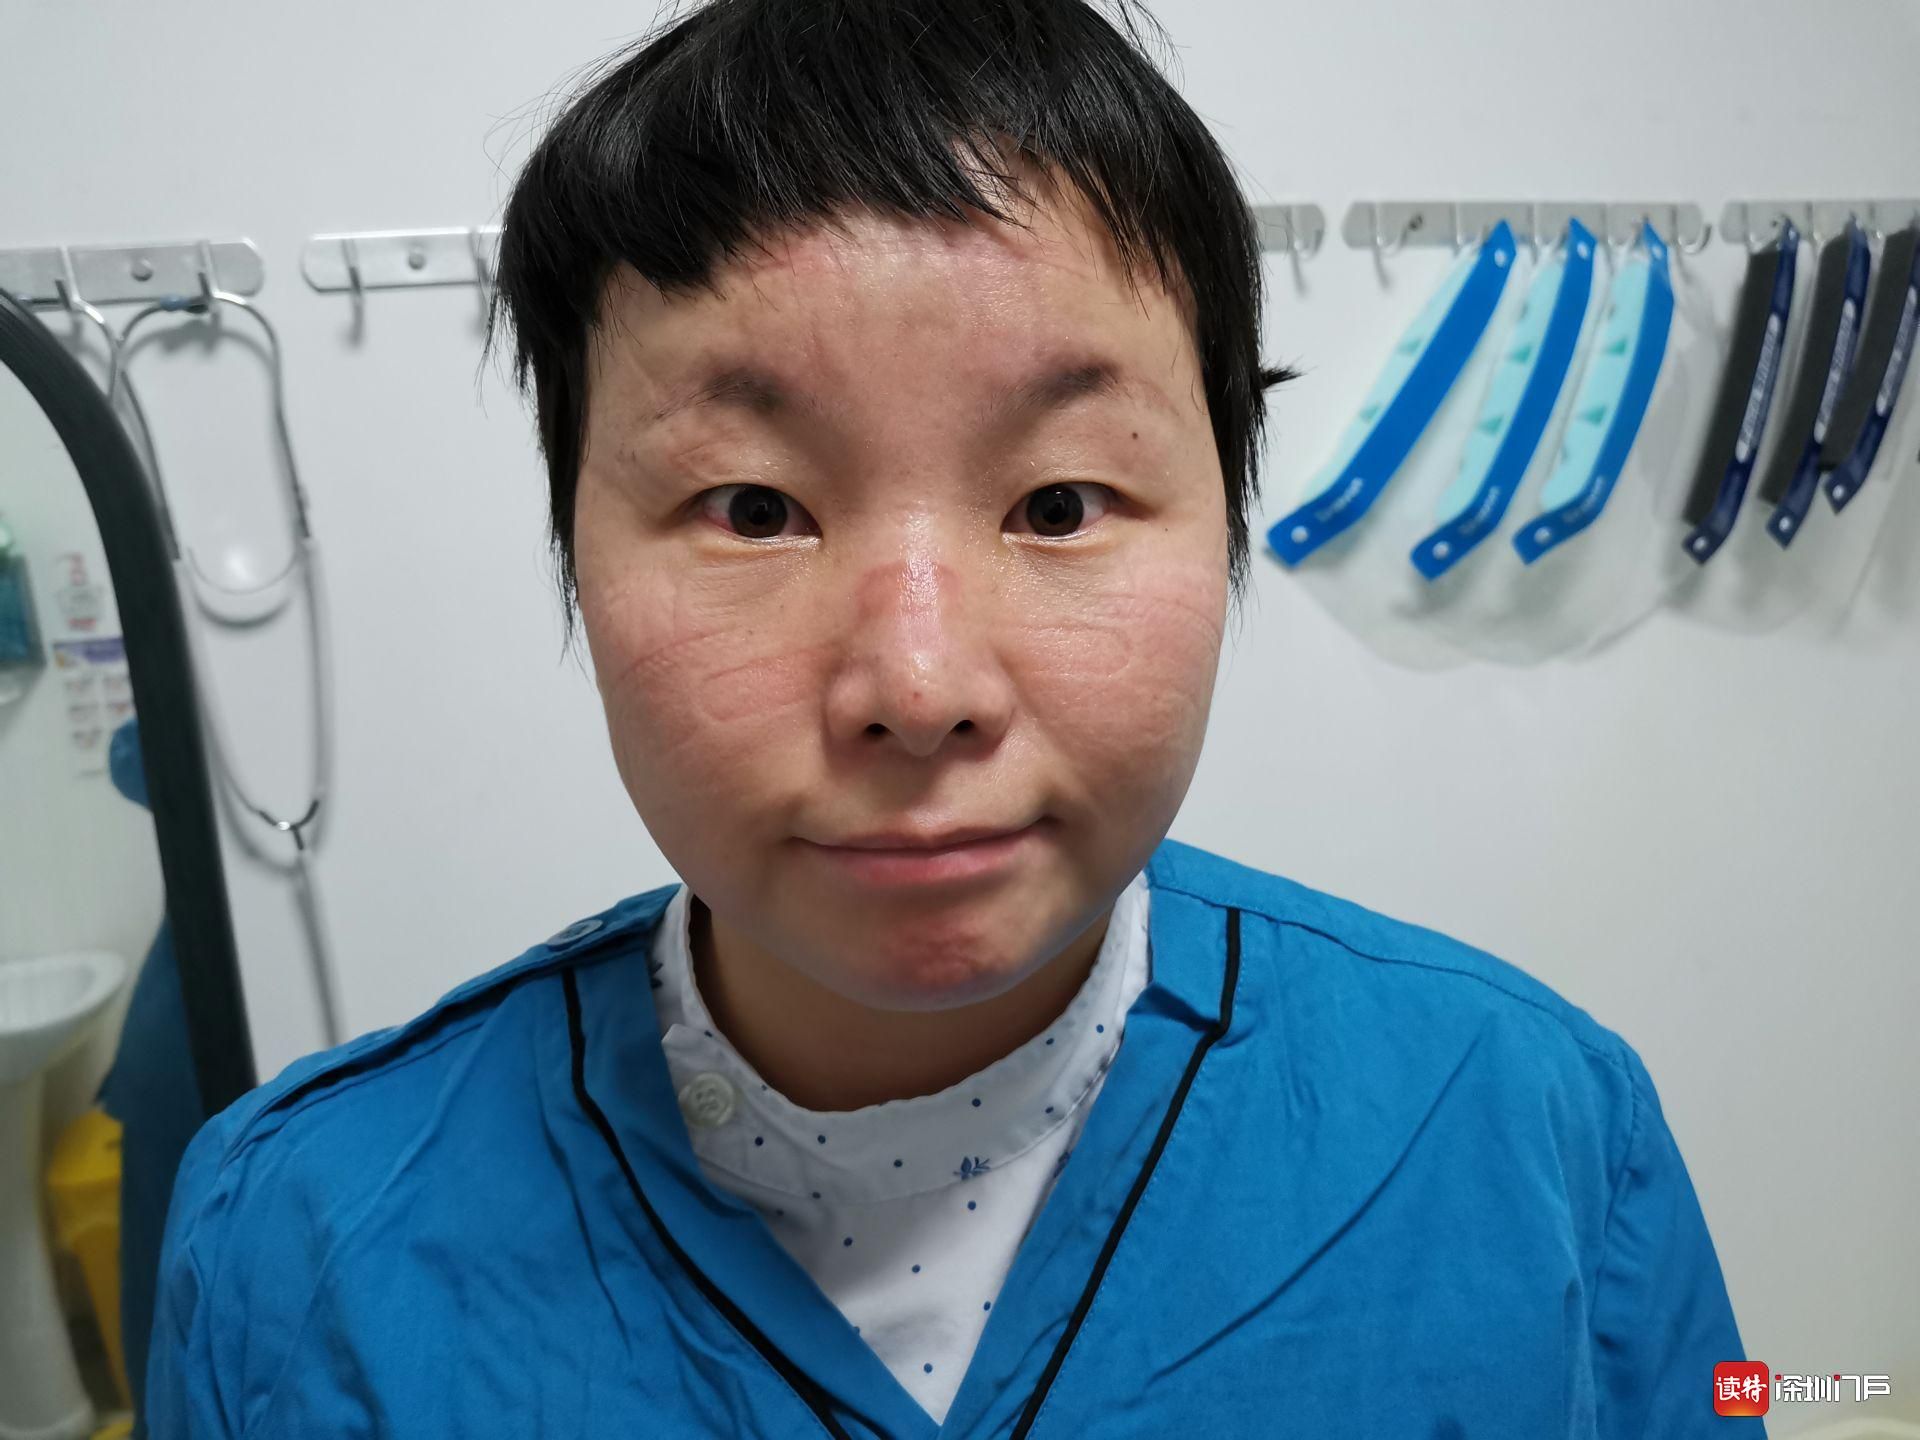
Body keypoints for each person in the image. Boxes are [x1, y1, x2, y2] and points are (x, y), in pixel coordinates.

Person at [144, 0, 1762, 1435]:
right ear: (572, 543)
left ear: (1227, 518)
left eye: (1060, 504)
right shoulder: (293, 1247)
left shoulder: (1539, 1135)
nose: (919, 691)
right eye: (754, 509)